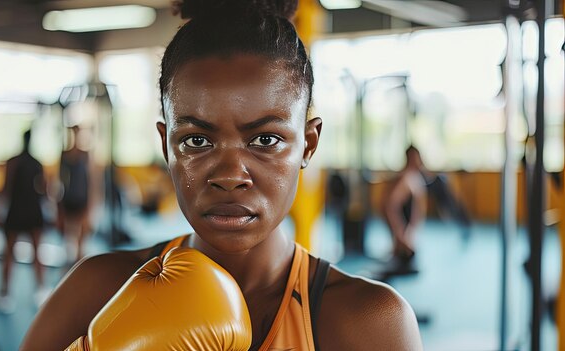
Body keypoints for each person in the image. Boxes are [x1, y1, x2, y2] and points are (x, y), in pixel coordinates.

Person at [21, 1, 422, 349]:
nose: (230, 175)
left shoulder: (367, 323)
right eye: (196, 141)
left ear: (308, 144)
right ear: (166, 146)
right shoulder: (96, 291)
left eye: (265, 139)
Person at [0, 130, 48, 312]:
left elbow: (6, 189)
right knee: (31, 252)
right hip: (30, 210)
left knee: (10, 252)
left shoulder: (14, 162)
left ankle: (7, 293)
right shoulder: (36, 163)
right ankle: (38, 291)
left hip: (19, 210)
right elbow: (44, 191)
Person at [381, 145, 427, 270]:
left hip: (408, 237)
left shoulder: (415, 178)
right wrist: (401, 236)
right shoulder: (405, 179)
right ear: (412, 158)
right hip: (403, 241)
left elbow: (417, 211)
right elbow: (389, 206)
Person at [57, 125, 91, 263]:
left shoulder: (85, 154)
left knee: (82, 229)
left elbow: (90, 179)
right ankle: (70, 254)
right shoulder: (65, 155)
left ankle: (79, 255)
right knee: (68, 229)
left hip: (81, 196)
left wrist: (91, 200)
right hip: (69, 196)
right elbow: (61, 179)